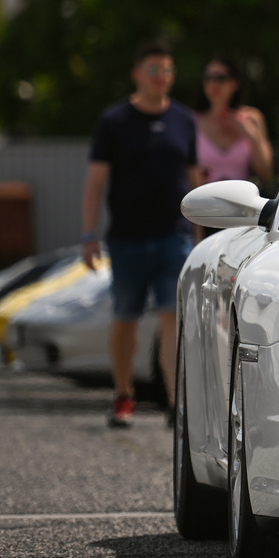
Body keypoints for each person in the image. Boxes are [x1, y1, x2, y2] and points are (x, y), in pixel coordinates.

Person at [81, 42, 201, 428]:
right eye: (153, 70)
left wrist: (201, 238)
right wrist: (88, 234)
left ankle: (174, 403)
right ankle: (123, 394)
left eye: (167, 71)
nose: (161, 78)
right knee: (126, 317)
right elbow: (95, 182)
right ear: (137, 74)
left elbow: (195, 179)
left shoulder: (185, 121)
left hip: (173, 237)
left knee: (173, 320)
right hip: (128, 239)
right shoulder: (114, 121)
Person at [194, 56, 273, 187]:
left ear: (235, 83)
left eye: (220, 78)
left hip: (242, 203)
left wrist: (251, 135)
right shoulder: (193, 120)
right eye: (208, 78)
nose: (213, 84)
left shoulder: (252, 118)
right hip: (204, 203)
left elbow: (266, 174)